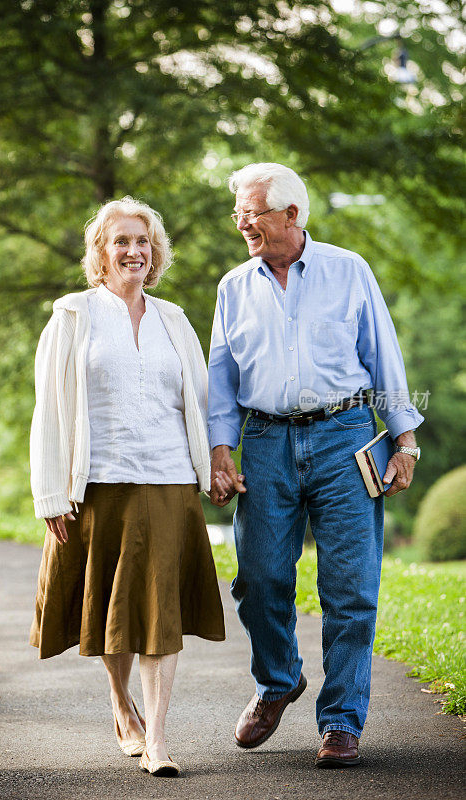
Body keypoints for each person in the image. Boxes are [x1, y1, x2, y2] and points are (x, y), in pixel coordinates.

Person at [208, 163, 423, 768]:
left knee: (351, 589)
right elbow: (221, 377)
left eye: (250, 212)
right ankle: (278, 682)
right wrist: (221, 451)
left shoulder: (348, 270)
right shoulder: (234, 286)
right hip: (268, 442)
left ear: (290, 214)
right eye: (239, 213)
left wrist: (403, 441)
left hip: (346, 436)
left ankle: (341, 722)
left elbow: (384, 355)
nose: (241, 223)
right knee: (258, 578)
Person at [29, 196, 225, 778]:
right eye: (121, 241)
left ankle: (159, 739)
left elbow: (202, 403)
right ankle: (121, 705)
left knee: (159, 614)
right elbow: (50, 410)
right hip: (98, 483)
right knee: (113, 612)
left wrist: (213, 465)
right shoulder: (71, 316)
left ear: (155, 251)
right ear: (101, 252)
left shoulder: (175, 321)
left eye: (143, 242)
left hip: (168, 481)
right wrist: (50, 493)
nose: (134, 251)